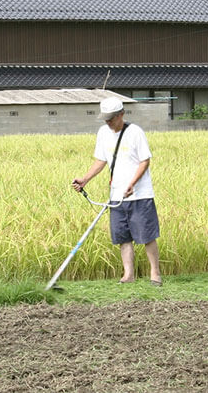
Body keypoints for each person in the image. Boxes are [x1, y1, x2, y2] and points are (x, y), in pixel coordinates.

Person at [72, 96, 162, 286]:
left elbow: (144, 160)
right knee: (123, 236)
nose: (108, 122)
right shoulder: (103, 133)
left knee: (146, 235)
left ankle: (155, 274)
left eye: (111, 118)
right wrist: (85, 179)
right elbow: (101, 161)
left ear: (122, 114)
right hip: (116, 194)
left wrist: (132, 183)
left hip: (140, 193)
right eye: (105, 119)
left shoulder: (135, 132)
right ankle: (128, 274)